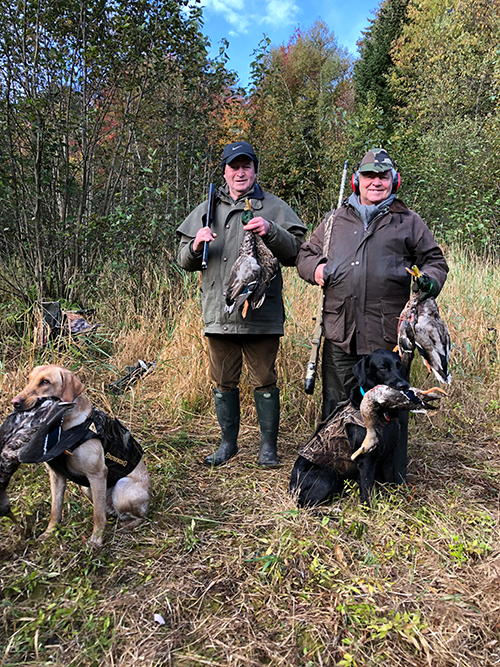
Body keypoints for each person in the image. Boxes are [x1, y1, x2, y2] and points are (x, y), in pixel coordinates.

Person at [296, 148, 448, 483]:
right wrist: (316, 268)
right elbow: (304, 255)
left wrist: (429, 282)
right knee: (337, 405)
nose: (376, 182)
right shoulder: (335, 220)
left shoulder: (408, 221)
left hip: (388, 339)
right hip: (341, 330)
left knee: (393, 406)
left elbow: (436, 261)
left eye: (383, 176)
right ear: (357, 181)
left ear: (394, 181)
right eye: (369, 176)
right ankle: (336, 471)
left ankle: (389, 476)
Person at [177, 141, 307, 467]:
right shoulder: (207, 210)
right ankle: (227, 445)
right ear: (224, 171)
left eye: (246, 166)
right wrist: (195, 245)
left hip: (262, 312)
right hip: (220, 312)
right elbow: (183, 259)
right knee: (223, 381)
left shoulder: (274, 208)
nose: (240, 172)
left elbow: (297, 253)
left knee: (264, 379)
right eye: (234, 167)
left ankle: (268, 449)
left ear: (254, 170)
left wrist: (271, 230)